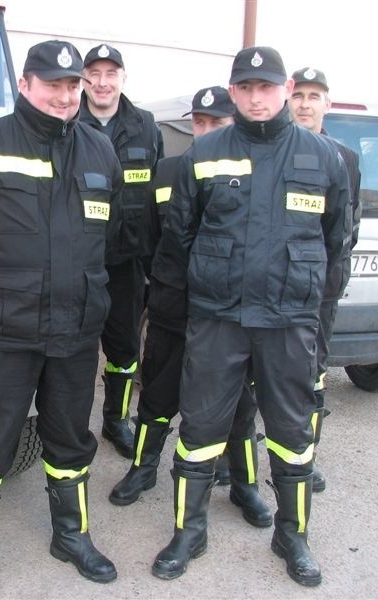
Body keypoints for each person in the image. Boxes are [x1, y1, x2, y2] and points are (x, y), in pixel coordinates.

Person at [0, 40, 124, 600]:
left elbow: (109, 237)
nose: (64, 96)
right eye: (52, 84)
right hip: (4, 333)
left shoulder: (99, 150)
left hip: (76, 332)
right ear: (26, 85)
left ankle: (72, 537)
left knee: (69, 441)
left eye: (72, 85)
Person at [150, 47, 351, 587]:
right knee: (201, 428)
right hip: (219, 317)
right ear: (233, 92)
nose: (256, 97)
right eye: (246, 88)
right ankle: (189, 531)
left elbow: (338, 242)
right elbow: (181, 233)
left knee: (291, 432)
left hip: (288, 321)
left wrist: (308, 301)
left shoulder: (323, 156)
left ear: (284, 89)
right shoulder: (206, 151)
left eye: (266, 87)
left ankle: (293, 535)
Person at [109, 86, 272, 531]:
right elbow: (146, 239)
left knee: (239, 408)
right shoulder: (166, 171)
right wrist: (161, 289)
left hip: (226, 316)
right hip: (174, 309)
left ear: (233, 123)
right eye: (199, 122)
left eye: (216, 123)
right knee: (158, 397)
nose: (205, 131)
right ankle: (143, 470)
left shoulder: (253, 174)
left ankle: (244, 485)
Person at [79, 44, 163, 459]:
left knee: (125, 349)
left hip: (128, 262)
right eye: (93, 74)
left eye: (110, 74)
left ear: (122, 79)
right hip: (79, 261)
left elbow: (157, 197)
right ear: (83, 79)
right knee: (74, 347)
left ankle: (116, 419)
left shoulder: (146, 126)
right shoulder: (66, 120)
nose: (101, 82)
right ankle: (72, 425)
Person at [289, 66, 362, 493]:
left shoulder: (344, 157)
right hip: (281, 284)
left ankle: (307, 455)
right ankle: (234, 458)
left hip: (320, 287)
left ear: (326, 105)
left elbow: (346, 225)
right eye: (299, 95)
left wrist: (329, 273)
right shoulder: (276, 151)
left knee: (313, 373)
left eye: (314, 97)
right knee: (255, 374)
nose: (305, 104)